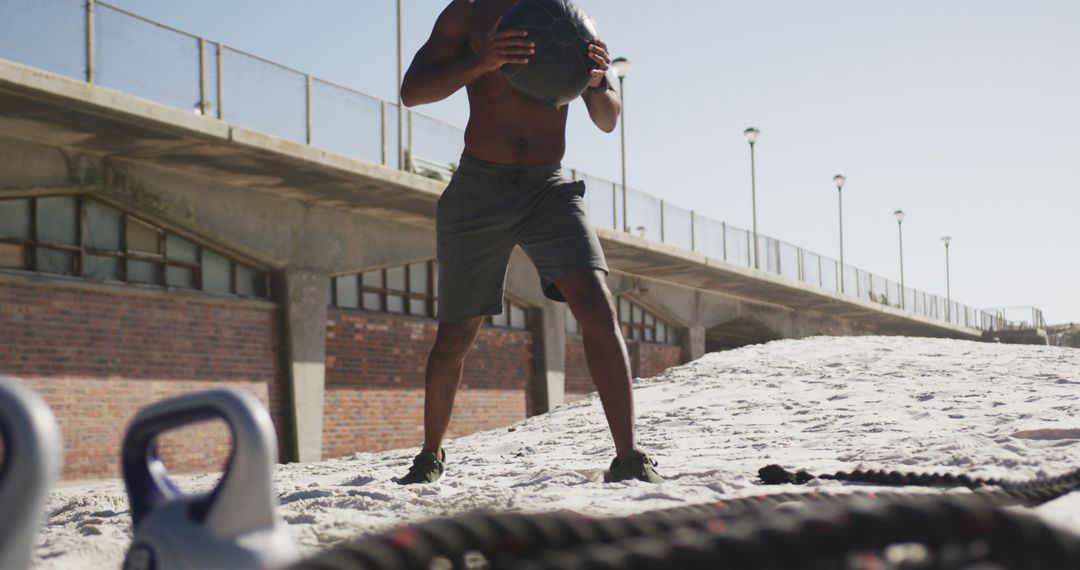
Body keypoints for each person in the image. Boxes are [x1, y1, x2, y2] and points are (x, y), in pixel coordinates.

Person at [395, 0, 662, 485]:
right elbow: (412, 93)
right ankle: (430, 455)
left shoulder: (572, 21)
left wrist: (600, 81)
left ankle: (629, 457)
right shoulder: (467, 15)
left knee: (598, 307)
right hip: (478, 189)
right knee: (455, 335)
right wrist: (482, 61)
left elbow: (607, 119)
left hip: (549, 188)